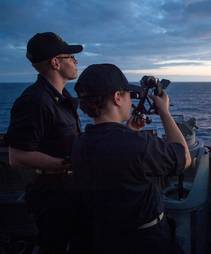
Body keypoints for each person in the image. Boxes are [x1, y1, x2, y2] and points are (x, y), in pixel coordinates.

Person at [71, 64, 191, 253]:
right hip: (146, 241)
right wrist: (165, 113)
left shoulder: (81, 142)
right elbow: (184, 158)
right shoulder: (138, 146)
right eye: (129, 95)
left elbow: (112, 153)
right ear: (117, 97)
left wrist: (129, 132)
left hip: (105, 238)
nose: (131, 101)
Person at [5, 32, 83, 253]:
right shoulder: (35, 101)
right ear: (56, 62)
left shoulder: (60, 97)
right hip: (52, 198)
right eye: (70, 56)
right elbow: (17, 156)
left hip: (69, 191)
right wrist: (69, 164)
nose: (76, 61)